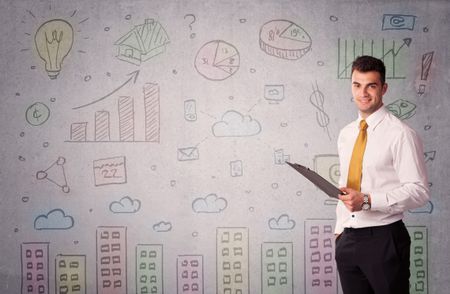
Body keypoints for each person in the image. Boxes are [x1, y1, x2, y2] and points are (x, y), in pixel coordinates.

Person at [334, 55, 430, 294]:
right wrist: (338, 232)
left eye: (371, 85)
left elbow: (419, 191)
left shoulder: (401, 134)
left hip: (385, 239)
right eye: (357, 85)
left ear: (384, 88)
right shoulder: (346, 134)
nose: (363, 93)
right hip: (348, 239)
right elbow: (343, 184)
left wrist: (367, 200)